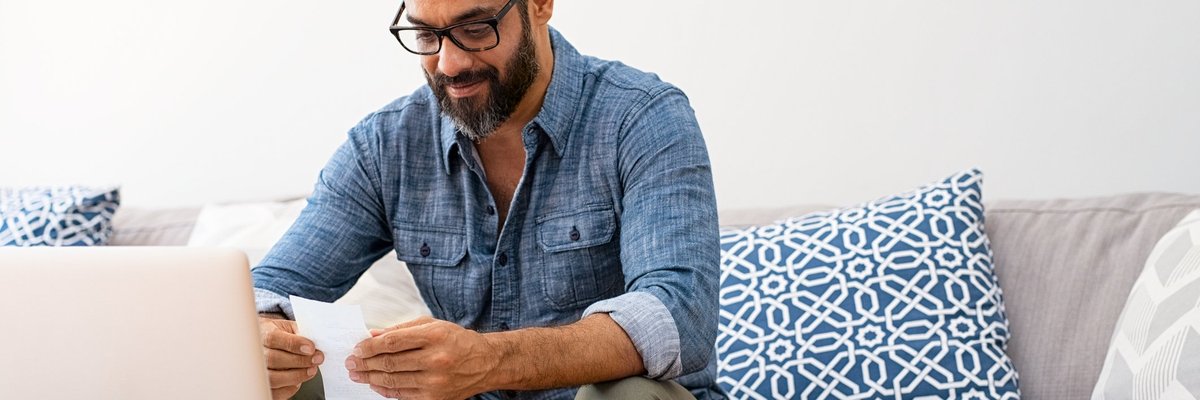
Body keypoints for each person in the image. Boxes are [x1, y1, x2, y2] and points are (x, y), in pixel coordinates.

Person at [250, 0, 721, 398]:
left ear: (539, 5)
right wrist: (264, 336)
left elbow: (679, 313)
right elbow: (266, 288)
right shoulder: (385, 145)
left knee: (625, 393)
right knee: (272, 378)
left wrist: (490, 359)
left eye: (476, 29)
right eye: (426, 36)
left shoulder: (642, 117)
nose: (449, 65)